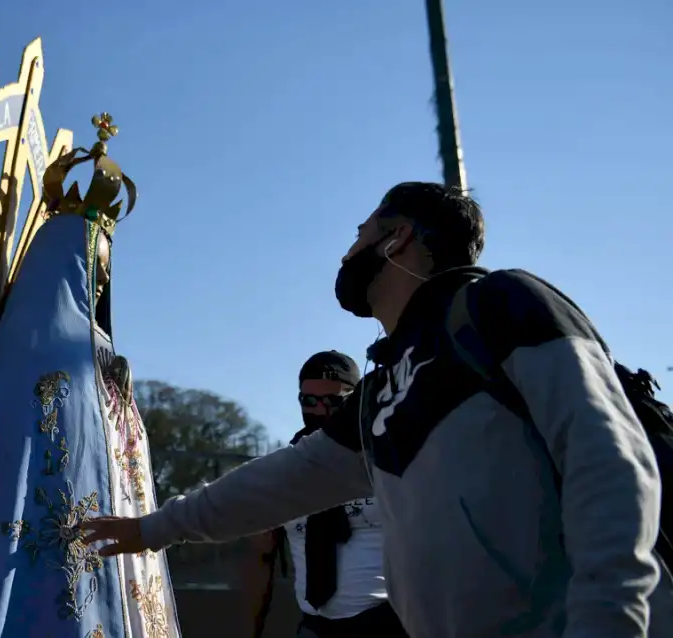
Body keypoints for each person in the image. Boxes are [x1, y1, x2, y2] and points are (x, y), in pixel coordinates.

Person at [84, 182, 670, 638]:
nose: (349, 250)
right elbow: (280, 482)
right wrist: (151, 529)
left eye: (361, 233)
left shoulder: (500, 304)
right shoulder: (379, 391)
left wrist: (610, 621)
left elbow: (611, 460)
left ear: (397, 240)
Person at [0, 210, 181, 637]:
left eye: (107, 272)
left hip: (115, 525)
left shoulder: (97, 347)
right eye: (95, 268)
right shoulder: (35, 346)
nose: (102, 282)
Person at [242, 351, 407, 638]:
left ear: (355, 400)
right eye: (309, 401)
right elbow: (260, 558)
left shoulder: (388, 460)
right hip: (315, 625)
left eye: (333, 401)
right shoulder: (284, 472)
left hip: (386, 621)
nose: (319, 411)